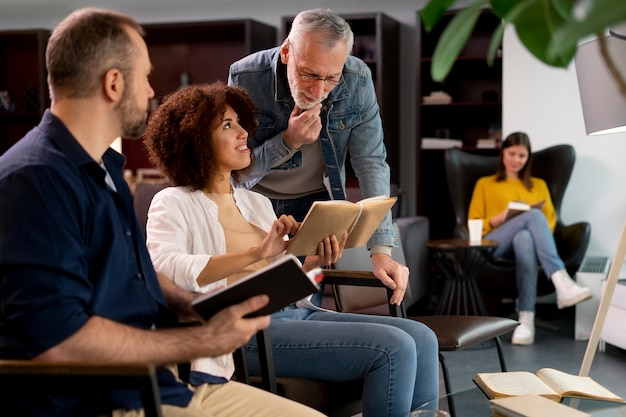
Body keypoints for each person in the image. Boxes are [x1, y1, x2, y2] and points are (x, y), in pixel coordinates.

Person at [0, 8, 326, 417]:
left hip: (168, 385)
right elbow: (59, 340)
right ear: (114, 83)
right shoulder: (37, 179)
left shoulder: (103, 170)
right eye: (144, 75)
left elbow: (136, 275)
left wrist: (192, 306)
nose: (151, 90)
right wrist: (200, 341)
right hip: (110, 401)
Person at [143, 82, 440, 417]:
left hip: (295, 313)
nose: (243, 133)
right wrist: (255, 254)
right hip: (248, 331)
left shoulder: (256, 203)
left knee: (422, 336)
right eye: (227, 125)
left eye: (240, 122)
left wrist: (317, 260)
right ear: (194, 139)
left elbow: (283, 282)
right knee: (395, 347)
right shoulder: (172, 202)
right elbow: (166, 267)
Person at [227, 8, 409, 307]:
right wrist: (289, 141)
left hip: (312, 209)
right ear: (287, 52)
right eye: (308, 74)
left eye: (331, 79)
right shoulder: (246, 76)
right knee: (260, 309)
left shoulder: (357, 78)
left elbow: (371, 161)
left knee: (301, 307)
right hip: (254, 206)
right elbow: (235, 169)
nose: (318, 90)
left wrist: (381, 251)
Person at [468, 132, 592, 345]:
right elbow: (474, 221)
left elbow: (551, 222)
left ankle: (526, 320)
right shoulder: (485, 184)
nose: (516, 160)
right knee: (533, 215)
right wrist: (498, 219)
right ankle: (562, 281)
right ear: (503, 153)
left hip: (527, 244)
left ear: (528, 158)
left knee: (524, 237)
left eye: (522, 156)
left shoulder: (539, 185)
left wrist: (527, 223)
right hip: (494, 243)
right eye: (512, 153)